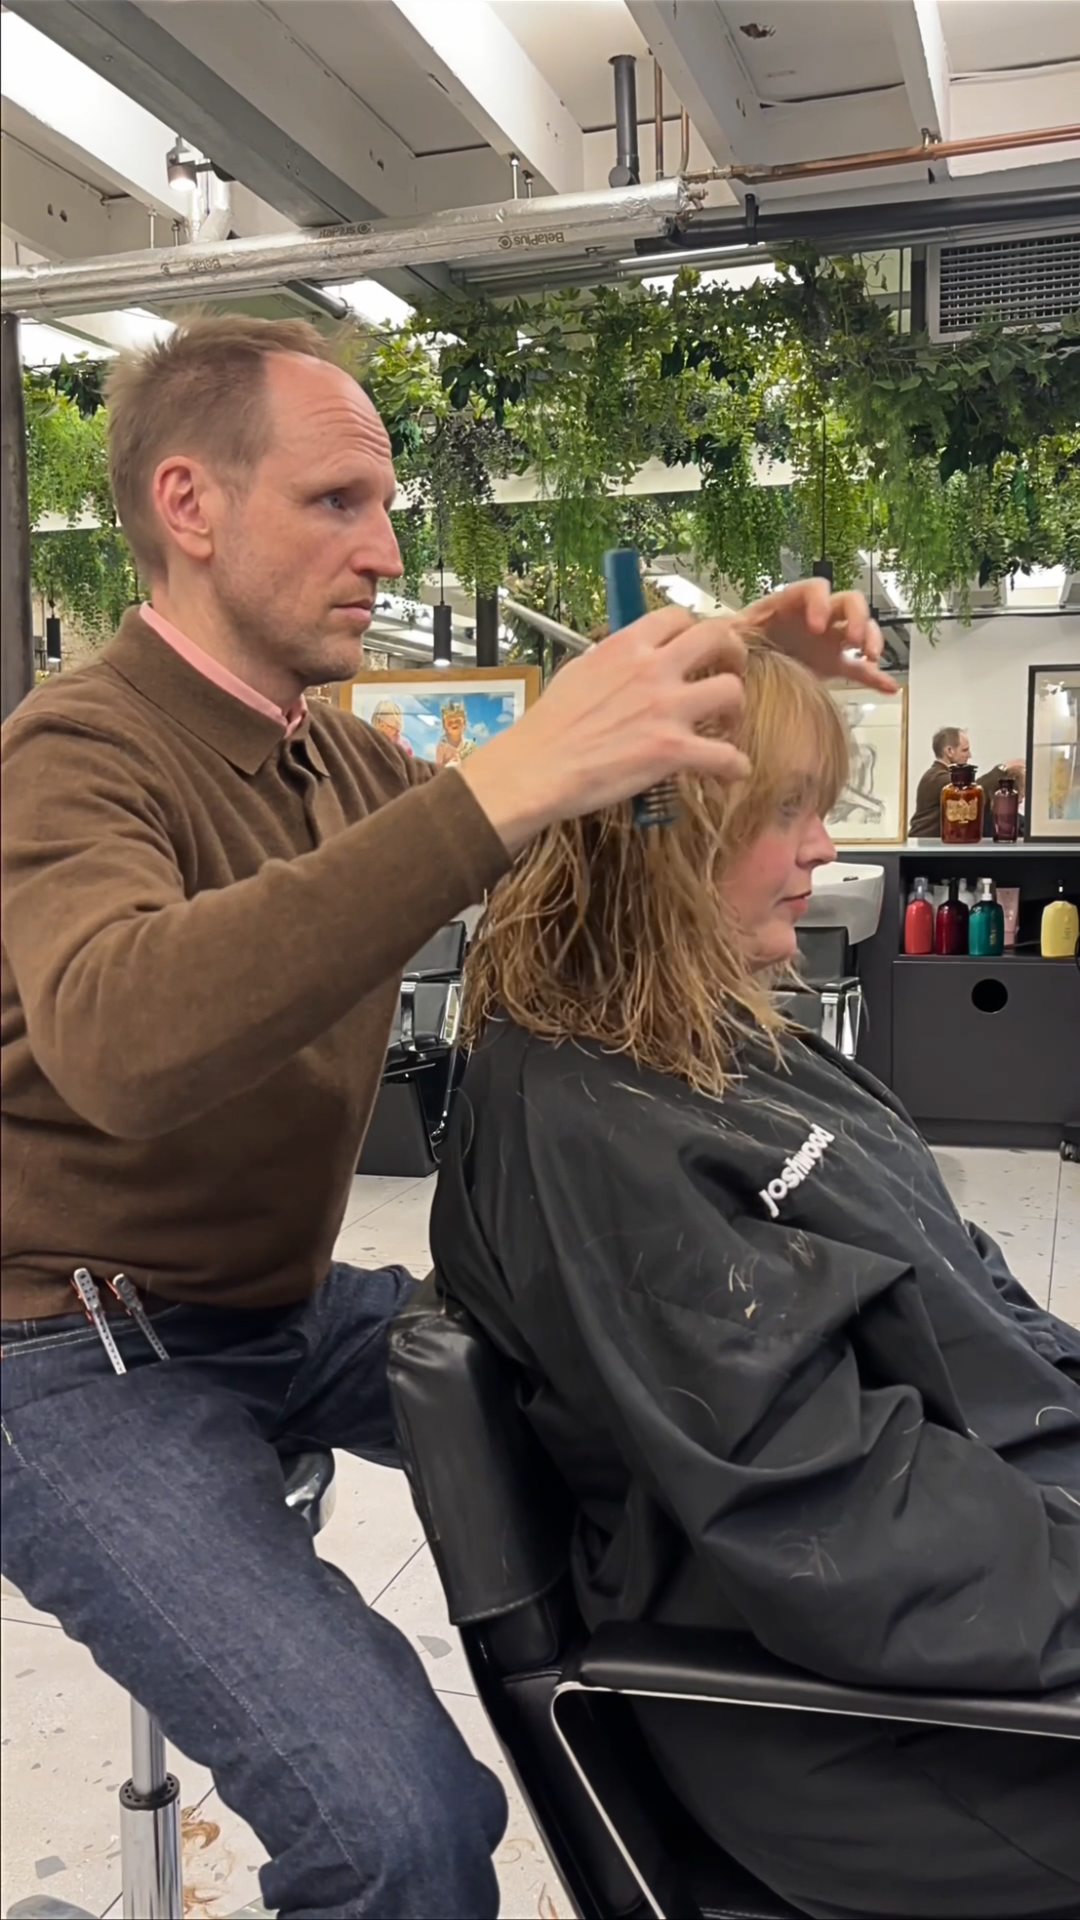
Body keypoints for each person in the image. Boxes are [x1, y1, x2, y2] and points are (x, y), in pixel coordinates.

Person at [0, 313, 891, 1920]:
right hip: (67, 1357)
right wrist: (500, 785)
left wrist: (731, 671)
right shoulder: (72, 754)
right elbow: (120, 1038)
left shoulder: (325, 758)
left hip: (279, 1311)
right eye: (338, 501)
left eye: (385, 503)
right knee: (400, 1830)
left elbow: (557, 839)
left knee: (671, 1417)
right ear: (190, 506)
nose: (385, 545)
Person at [432, 637, 1080, 1920]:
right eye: (785, 815)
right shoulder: (599, 1124)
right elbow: (839, 1513)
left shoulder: (714, 1047)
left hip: (979, 1595)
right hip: (883, 1743)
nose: (825, 855)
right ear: (664, 836)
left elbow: (959, 1290)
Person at [909, 724, 1024, 836]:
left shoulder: (935, 776)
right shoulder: (936, 778)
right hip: (926, 848)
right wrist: (1002, 768)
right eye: (965, 750)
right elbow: (971, 793)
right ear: (949, 751)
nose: (969, 755)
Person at [435, 699, 476, 767]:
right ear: (444, 725)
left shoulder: (471, 746)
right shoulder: (442, 747)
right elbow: (438, 771)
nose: (454, 724)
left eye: (457, 721)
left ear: (464, 722)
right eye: (450, 722)